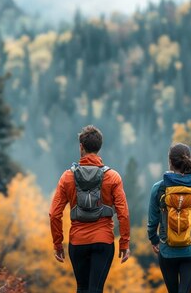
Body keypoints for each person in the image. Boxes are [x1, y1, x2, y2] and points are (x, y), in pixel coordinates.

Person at [49, 125, 131, 293]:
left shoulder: (67, 177)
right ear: (99, 147)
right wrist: (124, 243)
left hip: (77, 242)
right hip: (104, 241)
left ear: (81, 147)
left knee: (82, 288)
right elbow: (123, 213)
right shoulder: (112, 177)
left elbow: (54, 214)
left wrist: (58, 244)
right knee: (95, 289)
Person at [147, 143, 191, 293]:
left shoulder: (159, 187)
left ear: (170, 162)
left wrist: (154, 239)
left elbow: (152, 220)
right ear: (188, 160)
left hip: (166, 251)